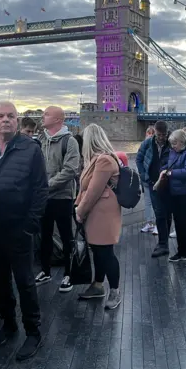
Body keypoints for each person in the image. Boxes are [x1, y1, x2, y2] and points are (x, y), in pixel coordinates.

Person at [0, 101, 48, 361]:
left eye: (11, 116)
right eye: (0, 116)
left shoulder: (31, 149)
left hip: (19, 229)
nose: (6, 120)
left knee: (25, 282)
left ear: (17, 121)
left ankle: (33, 332)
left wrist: (30, 225)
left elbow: (40, 190)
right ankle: (8, 325)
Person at [75, 124, 123, 309]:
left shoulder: (104, 161)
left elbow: (93, 192)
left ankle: (115, 291)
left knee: (106, 253)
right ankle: (97, 285)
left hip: (102, 214)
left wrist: (80, 212)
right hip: (98, 214)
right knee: (98, 251)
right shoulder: (97, 159)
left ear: (90, 140)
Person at [36, 106, 80, 292]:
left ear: (58, 120)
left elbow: (70, 170)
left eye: (46, 114)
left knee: (66, 236)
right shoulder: (41, 139)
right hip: (43, 198)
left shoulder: (69, 141)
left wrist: (47, 185)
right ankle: (45, 271)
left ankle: (69, 274)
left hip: (62, 197)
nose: (42, 116)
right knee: (44, 237)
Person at [160, 129, 186, 267]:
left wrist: (170, 173)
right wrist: (162, 170)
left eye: (175, 143)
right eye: (172, 144)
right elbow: (170, 164)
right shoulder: (174, 151)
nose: (173, 146)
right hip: (175, 193)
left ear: (182, 142)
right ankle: (182, 252)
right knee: (178, 224)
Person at [135, 121, 171, 257]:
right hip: (152, 183)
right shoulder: (147, 143)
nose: (162, 137)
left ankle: (164, 242)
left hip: (168, 183)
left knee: (167, 214)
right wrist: (144, 175)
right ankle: (162, 244)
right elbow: (139, 159)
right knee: (160, 213)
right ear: (155, 132)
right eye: (159, 134)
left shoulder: (171, 143)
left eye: (164, 135)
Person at [139, 126, 157, 234]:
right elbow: (139, 160)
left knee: (156, 202)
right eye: (148, 133)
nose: (149, 135)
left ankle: (157, 224)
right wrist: (142, 174)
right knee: (147, 202)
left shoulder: (156, 146)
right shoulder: (143, 145)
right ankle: (149, 223)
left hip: (154, 180)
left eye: (152, 133)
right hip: (145, 179)